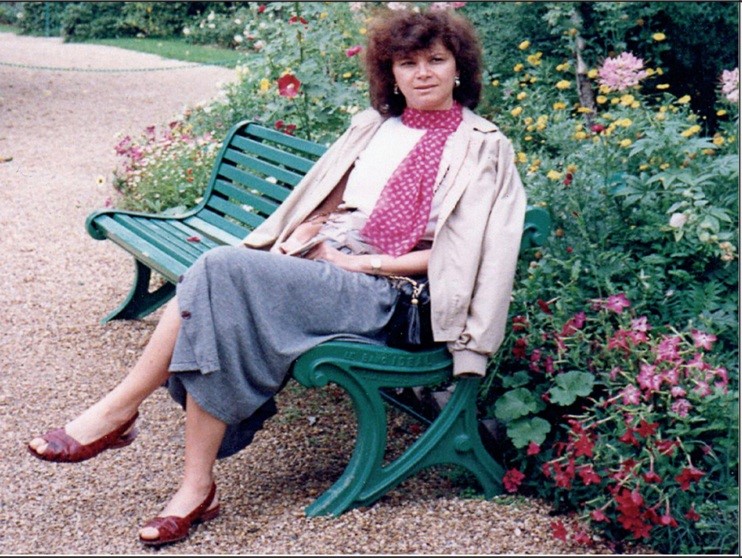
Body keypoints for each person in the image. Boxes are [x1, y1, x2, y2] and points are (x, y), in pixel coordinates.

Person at [28, 7, 527, 547]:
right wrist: (307, 233)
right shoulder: (376, 128)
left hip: (395, 295)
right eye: (408, 63)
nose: (423, 73)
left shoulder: (484, 146)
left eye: (436, 60)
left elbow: (466, 254)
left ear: (460, 68)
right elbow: (328, 202)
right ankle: (194, 487)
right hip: (328, 266)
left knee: (217, 270)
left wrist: (362, 263)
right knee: (213, 294)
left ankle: (121, 412)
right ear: (391, 73)